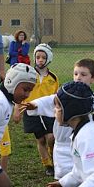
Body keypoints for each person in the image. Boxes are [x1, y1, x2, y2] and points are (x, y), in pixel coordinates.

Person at [23, 58, 94, 179]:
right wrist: (35, 105)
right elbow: (50, 100)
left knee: (85, 176)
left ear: (93, 79)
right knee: (68, 179)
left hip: (83, 148)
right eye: (76, 74)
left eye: (83, 74)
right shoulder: (65, 94)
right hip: (63, 149)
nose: (78, 77)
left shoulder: (93, 99)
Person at [16, 43, 59, 176]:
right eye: (38, 57)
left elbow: (57, 96)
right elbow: (19, 92)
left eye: (43, 57)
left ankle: (54, 158)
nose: (40, 60)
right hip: (31, 112)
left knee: (51, 137)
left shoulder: (53, 78)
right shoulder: (29, 75)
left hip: (48, 112)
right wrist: (17, 109)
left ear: (49, 59)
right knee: (40, 140)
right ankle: (47, 165)